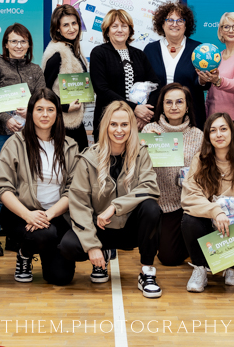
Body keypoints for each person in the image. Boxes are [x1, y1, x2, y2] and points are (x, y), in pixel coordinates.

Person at [58, 101, 164, 298]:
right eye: (113, 124)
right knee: (68, 246)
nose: (119, 130)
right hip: (101, 229)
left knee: (152, 208)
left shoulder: (141, 154)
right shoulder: (88, 159)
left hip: (130, 228)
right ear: (105, 126)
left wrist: (115, 207)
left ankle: (147, 272)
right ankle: (102, 255)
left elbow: (150, 187)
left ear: (131, 127)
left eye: (124, 125)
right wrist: (92, 246)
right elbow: (79, 203)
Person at [0, 88, 79, 285]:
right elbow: (3, 189)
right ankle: (24, 253)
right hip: (20, 214)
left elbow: (73, 190)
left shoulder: (70, 146)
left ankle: (43, 248)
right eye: (39, 109)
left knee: (61, 278)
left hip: (55, 214)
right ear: (31, 112)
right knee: (45, 234)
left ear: (58, 114)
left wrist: (48, 215)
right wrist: (28, 215)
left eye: (50, 110)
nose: (44, 115)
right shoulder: (15, 143)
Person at [181, 113, 234, 292]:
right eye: (213, 131)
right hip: (209, 226)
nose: (218, 134)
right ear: (207, 136)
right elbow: (190, 196)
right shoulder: (200, 160)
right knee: (189, 220)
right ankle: (200, 269)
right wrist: (216, 211)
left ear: (232, 132)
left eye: (223, 129)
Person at [0, 23, 45, 256]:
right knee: (4, 183)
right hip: (3, 133)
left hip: (32, 134)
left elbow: (43, 100)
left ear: (29, 45)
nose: (18, 46)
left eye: (23, 41)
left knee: (26, 183)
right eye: (14, 41)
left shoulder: (36, 70)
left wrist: (32, 112)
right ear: (6, 44)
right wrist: (7, 119)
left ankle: (15, 234)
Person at [140, 83, 204, 266]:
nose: (174, 107)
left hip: (185, 203)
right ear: (162, 105)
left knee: (170, 258)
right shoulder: (150, 130)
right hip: (157, 201)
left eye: (179, 102)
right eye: (168, 102)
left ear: (187, 106)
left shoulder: (197, 135)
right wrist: (145, 145)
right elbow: (137, 167)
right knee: (167, 258)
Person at [88, 9, 158, 140]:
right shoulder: (99, 53)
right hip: (108, 122)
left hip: (138, 123)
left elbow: (155, 85)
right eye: (114, 26)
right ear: (107, 31)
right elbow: (102, 90)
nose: (119, 30)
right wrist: (134, 108)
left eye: (124, 26)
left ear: (130, 30)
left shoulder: (139, 55)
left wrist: (145, 115)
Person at [197, 12, 234, 154]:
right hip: (214, 122)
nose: (231, 30)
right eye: (226, 27)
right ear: (220, 31)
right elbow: (211, 93)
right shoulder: (216, 56)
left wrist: (217, 80)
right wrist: (202, 79)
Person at [143, 0, 208, 130]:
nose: (175, 24)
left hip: (191, 117)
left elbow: (204, 84)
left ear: (186, 24)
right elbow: (144, 84)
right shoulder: (150, 50)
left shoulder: (198, 49)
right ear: (162, 23)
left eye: (180, 20)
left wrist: (203, 80)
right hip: (157, 117)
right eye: (170, 20)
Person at [41, 4, 90, 151]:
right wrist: (65, 107)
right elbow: (45, 90)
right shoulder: (57, 53)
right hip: (61, 123)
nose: (71, 28)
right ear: (57, 28)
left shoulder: (73, 49)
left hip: (75, 120)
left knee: (81, 164)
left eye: (74, 23)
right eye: (66, 25)